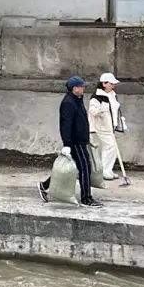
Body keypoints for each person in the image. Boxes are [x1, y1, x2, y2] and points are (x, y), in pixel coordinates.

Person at [37, 76, 101, 207]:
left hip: (81, 140)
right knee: (85, 168)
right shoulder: (68, 103)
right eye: (82, 86)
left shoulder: (77, 99)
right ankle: (86, 198)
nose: (84, 88)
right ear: (75, 88)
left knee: (79, 167)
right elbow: (66, 124)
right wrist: (67, 144)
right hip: (76, 142)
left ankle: (44, 185)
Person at [88, 72, 123, 180]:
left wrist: (119, 123)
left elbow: (116, 109)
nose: (113, 85)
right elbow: (92, 112)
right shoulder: (96, 97)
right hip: (101, 127)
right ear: (104, 83)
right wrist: (101, 109)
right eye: (111, 83)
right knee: (110, 147)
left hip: (111, 125)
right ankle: (103, 171)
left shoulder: (112, 94)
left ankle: (108, 170)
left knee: (113, 148)